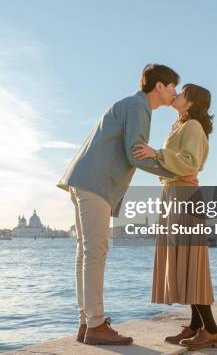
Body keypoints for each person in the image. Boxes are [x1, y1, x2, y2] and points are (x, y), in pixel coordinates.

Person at [58, 64, 184, 345]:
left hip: (83, 179)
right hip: (96, 183)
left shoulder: (130, 104)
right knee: (95, 252)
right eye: (173, 85)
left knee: (86, 253)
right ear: (159, 86)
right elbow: (136, 154)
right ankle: (96, 325)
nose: (175, 91)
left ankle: (86, 323)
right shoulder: (139, 107)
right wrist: (175, 173)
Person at [133, 83, 217, 349]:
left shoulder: (193, 127)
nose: (177, 95)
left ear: (191, 102)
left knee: (191, 263)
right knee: (185, 261)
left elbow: (189, 162)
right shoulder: (183, 126)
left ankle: (212, 330)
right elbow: (176, 164)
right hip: (175, 194)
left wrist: (157, 153)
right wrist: (159, 159)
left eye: (183, 93)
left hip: (183, 196)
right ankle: (196, 326)